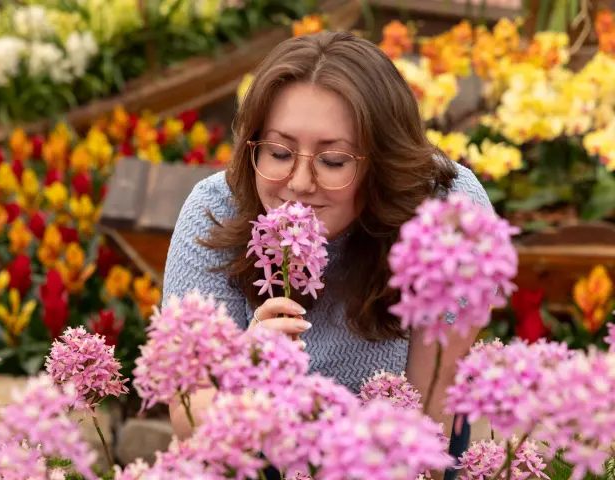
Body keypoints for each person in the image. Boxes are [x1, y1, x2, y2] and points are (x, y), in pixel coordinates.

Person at [162, 30, 491, 461]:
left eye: (333, 161)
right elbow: (188, 410)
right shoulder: (215, 209)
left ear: (383, 162)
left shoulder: (447, 210)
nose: (298, 184)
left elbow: (431, 420)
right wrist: (244, 376)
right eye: (279, 153)